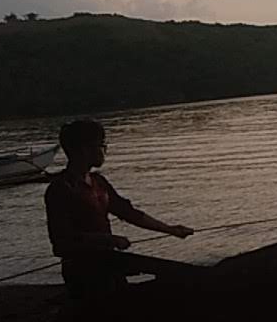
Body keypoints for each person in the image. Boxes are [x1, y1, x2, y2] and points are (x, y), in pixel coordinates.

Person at [44, 120, 195, 299]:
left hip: (109, 263)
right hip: (83, 271)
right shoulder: (61, 188)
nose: (105, 150)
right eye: (101, 145)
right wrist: (107, 239)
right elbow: (60, 242)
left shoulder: (99, 182)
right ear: (84, 149)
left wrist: (170, 230)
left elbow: (129, 213)